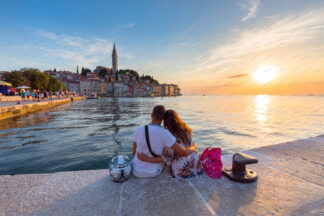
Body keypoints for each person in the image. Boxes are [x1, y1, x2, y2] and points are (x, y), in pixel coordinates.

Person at [132, 105, 197, 178]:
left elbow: (134, 153)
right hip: (154, 171)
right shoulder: (166, 133)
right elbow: (183, 152)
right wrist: (194, 147)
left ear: (151, 115)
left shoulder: (138, 129)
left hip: (136, 170)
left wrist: (144, 158)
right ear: (163, 118)